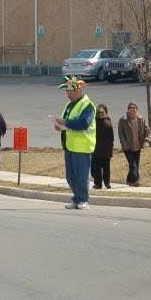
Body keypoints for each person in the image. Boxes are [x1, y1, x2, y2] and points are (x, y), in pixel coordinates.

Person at [54, 75, 96, 210]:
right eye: (66, 92)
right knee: (70, 176)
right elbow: (66, 122)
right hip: (69, 145)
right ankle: (76, 198)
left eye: (70, 92)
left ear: (78, 91)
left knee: (81, 176)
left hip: (82, 146)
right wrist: (59, 126)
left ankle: (83, 200)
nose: (67, 94)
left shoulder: (88, 105)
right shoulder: (69, 105)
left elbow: (84, 123)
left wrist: (65, 122)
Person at [118, 101, 151, 187]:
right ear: (128, 110)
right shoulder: (123, 120)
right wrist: (124, 145)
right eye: (130, 108)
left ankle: (129, 180)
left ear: (137, 110)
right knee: (133, 165)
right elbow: (121, 134)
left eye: (134, 108)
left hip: (138, 147)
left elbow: (148, 131)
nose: (132, 110)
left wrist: (146, 141)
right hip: (128, 147)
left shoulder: (141, 119)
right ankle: (136, 181)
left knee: (135, 164)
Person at [91, 103, 114, 189]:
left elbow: (111, 138)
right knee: (95, 169)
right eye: (99, 112)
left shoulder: (108, 122)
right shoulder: (93, 122)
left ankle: (107, 183)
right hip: (95, 149)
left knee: (106, 169)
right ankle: (98, 184)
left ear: (105, 112)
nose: (100, 114)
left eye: (102, 112)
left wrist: (111, 150)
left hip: (106, 150)